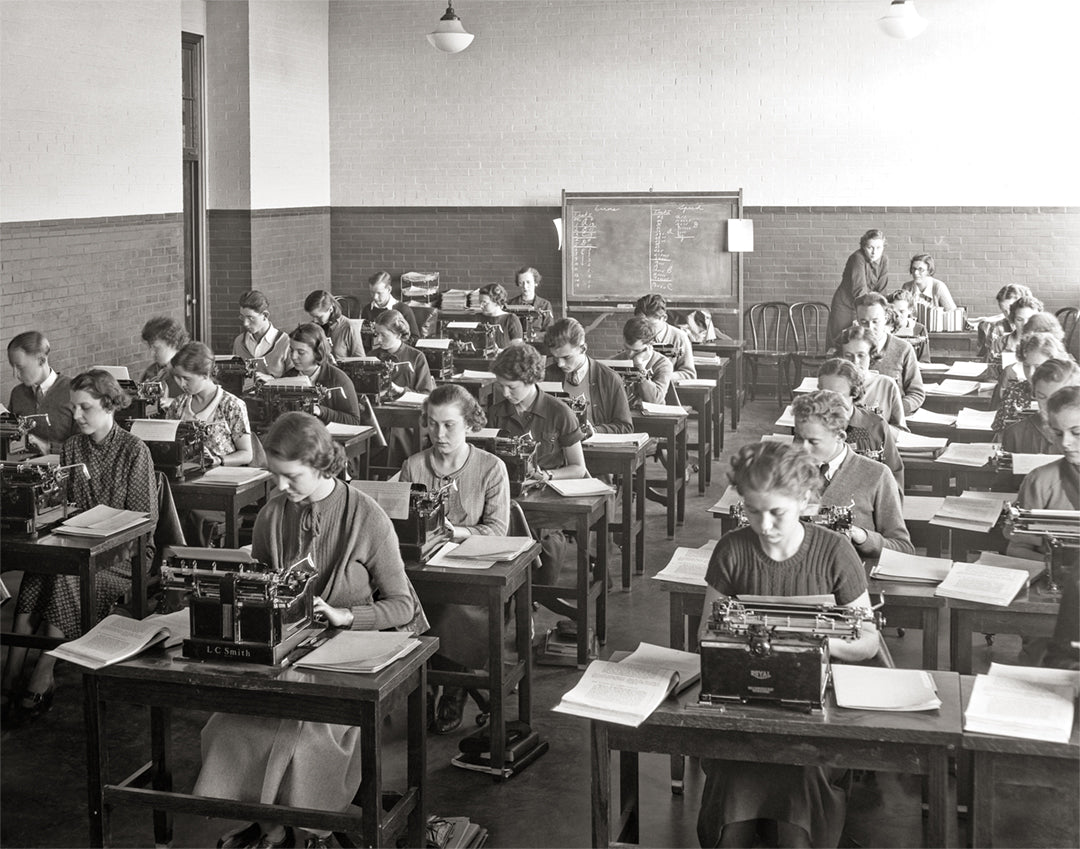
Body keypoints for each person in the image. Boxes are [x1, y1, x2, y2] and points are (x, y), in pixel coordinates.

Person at [194, 412, 427, 849]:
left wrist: (347, 617)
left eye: (291, 477)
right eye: (274, 476)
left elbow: (403, 605)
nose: (280, 488)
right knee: (227, 727)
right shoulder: (271, 514)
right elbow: (262, 585)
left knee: (303, 739)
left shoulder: (366, 516)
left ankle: (299, 826)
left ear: (323, 465)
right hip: (286, 656)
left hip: (348, 662)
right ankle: (272, 826)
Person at [696, 442, 879, 849]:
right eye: (752, 511)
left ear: (806, 501)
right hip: (746, 703)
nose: (763, 525)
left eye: (776, 512)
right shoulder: (731, 550)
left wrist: (809, 648)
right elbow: (706, 635)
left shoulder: (835, 551)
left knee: (800, 769)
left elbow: (867, 640)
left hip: (817, 707)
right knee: (733, 771)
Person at [2, 370, 157, 723]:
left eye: (84, 408)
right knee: (37, 575)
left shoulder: (135, 450)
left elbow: (144, 524)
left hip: (124, 555)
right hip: (78, 545)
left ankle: (44, 669)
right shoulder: (73, 446)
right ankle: (11, 673)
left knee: (65, 580)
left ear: (109, 405)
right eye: (73, 408)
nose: (76, 416)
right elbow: (66, 507)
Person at [400, 384, 511, 733]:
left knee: (449, 609)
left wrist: (457, 532)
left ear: (470, 424)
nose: (439, 433)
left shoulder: (491, 468)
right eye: (432, 424)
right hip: (424, 572)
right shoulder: (414, 466)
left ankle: (452, 685)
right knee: (402, 602)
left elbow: (497, 530)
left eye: (449, 425)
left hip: (473, 577)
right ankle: (428, 682)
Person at [487, 344, 587, 584]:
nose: (505, 393)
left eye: (511, 387)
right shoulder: (496, 413)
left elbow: (578, 468)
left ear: (530, 379)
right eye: (501, 386)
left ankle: (531, 599)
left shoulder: (560, 413)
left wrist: (548, 476)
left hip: (544, 503)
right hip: (505, 499)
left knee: (547, 550)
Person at [792, 390, 914, 557]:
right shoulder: (784, 471)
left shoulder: (877, 475)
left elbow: (903, 548)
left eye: (813, 442)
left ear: (840, 437)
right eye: (798, 438)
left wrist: (862, 536)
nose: (803, 449)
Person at [1006, 386, 1080, 563]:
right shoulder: (1040, 481)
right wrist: (1057, 567)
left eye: (1077, 432)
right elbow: (1017, 548)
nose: (1066, 442)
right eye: (1058, 433)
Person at [817, 358, 904, 491]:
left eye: (838, 396)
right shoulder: (810, 427)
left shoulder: (875, 426)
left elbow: (894, 479)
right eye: (824, 394)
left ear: (855, 393)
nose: (830, 403)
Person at [170, 342, 255, 467]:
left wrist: (219, 460)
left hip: (223, 478)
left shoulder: (232, 405)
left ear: (206, 375)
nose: (181, 384)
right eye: (177, 377)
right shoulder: (177, 405)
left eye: (187, 379)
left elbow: (246, 454)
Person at [543, 317, 632, 434]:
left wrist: (596, 431)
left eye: (566, 357)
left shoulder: (610, 379)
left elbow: (625, 428)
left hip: (595, 450)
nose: (560, 364)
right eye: (555, 357)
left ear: (583, 349)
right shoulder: (546, 376)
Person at [5, 331, 76, 454]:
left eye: (20, 367)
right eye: (13, 367)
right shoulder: (17, 394)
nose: (15, 374)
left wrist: (49, 447)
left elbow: (87, 449)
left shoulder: (75, 392)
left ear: (42, 360)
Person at [854, 292, 924, 415]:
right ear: (857, 321)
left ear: (886, 317)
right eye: (863, 322)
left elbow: (916, 393)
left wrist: (896, 409)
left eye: (875, 321)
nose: (869, 328)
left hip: (892, 420)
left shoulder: (903, 349)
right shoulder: (848, 349)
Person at [282, 324, 363, 427]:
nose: (293, 356)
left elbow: (353, 421)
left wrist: (320, 411)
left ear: (318, 353)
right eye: (292, 350)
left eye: (301, 352)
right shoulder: (288, 378)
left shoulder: (338, 379)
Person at [993, 333, 1072, 434]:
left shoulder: (1069, 396)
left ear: (1055, 365)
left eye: (1038, 367)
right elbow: (999, 433)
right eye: (1026, 366)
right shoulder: (1014, 392)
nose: (1030, 374)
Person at [833, 325, 906, 430]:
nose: (855, 361)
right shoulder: (833, 384)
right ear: (840, 356)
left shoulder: (887, 385)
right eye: (848, 355)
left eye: (861, 355)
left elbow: (901, 431)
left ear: (871, 355)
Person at [1003, 359, 1080, 455]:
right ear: (1034, 394)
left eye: (1058, 398)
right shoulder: (1015, 434)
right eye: (1042, 397)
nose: (1049, 405)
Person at [825, 229, 888, 344]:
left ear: (883, 247)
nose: (874, 252)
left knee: (865, 340)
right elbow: (860, 290)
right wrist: (868, 311)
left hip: (865, 303)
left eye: (878, 248)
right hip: (845, 306)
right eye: (870, 247)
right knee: (841, 340)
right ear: (863, 247)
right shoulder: (857, 258)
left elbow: (882, 290)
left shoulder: (884, 260)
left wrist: (883, 310)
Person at [634, 293, 696, 381]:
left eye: (651, 325)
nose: (644, 329)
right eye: (640, 323)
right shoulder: (634, 332)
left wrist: (662, 376)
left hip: (669, 390)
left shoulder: (680, 337)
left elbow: (689, 374)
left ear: (664, 318)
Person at [232, 290, 291, 383]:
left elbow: (296, 380)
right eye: (242, 317)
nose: (245, 323)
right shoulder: (239, 342)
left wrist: (272, 380)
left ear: (265, 315)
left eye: (250, 318)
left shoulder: (286, 342)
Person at [371, 310, 435, 395]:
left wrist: (401, 390)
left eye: (383, 335)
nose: (378, 339)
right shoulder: (372, 356)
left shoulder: (416, 357)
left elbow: (426, 394)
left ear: (398, 334)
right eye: (377, 334)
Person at [619, 316, 674, 405]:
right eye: (626, 348)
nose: (630, 354)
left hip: (652, 417)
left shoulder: (663, 364)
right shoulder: (616, 360)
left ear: (650, 345)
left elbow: (655, 400)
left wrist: (639, 366)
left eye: (636, 351)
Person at [303, 290, 365, 359]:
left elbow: (360, 359)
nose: (315, 320)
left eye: (319, 317)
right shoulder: (314, 327)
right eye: (313, 316)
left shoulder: (348, 327)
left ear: (331, 309)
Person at [139, 316, 188, 403]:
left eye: (156, 348)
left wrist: (173, 403)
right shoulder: (151, 372)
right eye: (150, 348)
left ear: (173, 343)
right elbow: (146, 405)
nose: (152, 353)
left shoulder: (191, 371)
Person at [977, 284, 1034, 359]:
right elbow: (987, 358)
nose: (1009, 315)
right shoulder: (994, 328)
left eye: (1011, 309)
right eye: (1004, 311)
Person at [361, 271, 421, 340]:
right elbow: (364, 337)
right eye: (372, 292)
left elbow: (415, 338)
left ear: (389, 289)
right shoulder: (367, 310)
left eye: (379, 293)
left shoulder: (403, 309)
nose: (375, 297)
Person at [987, 294, 1044, 362]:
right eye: (1019, 319)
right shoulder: (1000, 343)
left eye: (1030, 319)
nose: (1025, 324)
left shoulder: (1047, 344)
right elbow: (992, 369)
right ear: (1013, 319)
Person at [886, 290, 930, 362]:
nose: (897, 315)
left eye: (902, 311)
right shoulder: (885, 329)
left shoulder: (919, 329)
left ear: (910, 310)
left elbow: (924, 360)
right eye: (894, 311)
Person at [476, 283, 523, 349]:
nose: (480, 306)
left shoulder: (511, 319)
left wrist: (502, 352)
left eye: (484, 302)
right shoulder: (477, 318)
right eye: (479, 302)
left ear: (496, 302)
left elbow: (518, 349)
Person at [508, 266, 554, 332]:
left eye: (528, 282)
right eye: (521, 283)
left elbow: (549, 331)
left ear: (536, 283)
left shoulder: (545, 305)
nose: (525, 286)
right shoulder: (510, 304)